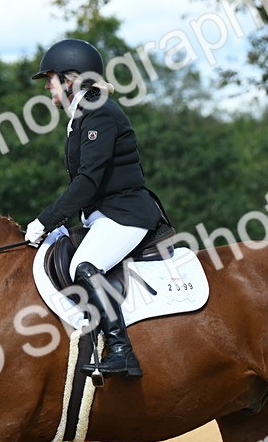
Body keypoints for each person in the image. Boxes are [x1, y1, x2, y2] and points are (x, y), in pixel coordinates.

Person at [24, 39, 166, 380]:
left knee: (84, 266)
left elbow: (87, 182)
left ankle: (121, 351)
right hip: (104, 215)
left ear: (70, 79)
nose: (47, 86)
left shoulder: (98, 112)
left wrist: (45, 220)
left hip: (126, 215)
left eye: (51, 78)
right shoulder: (83, 113)